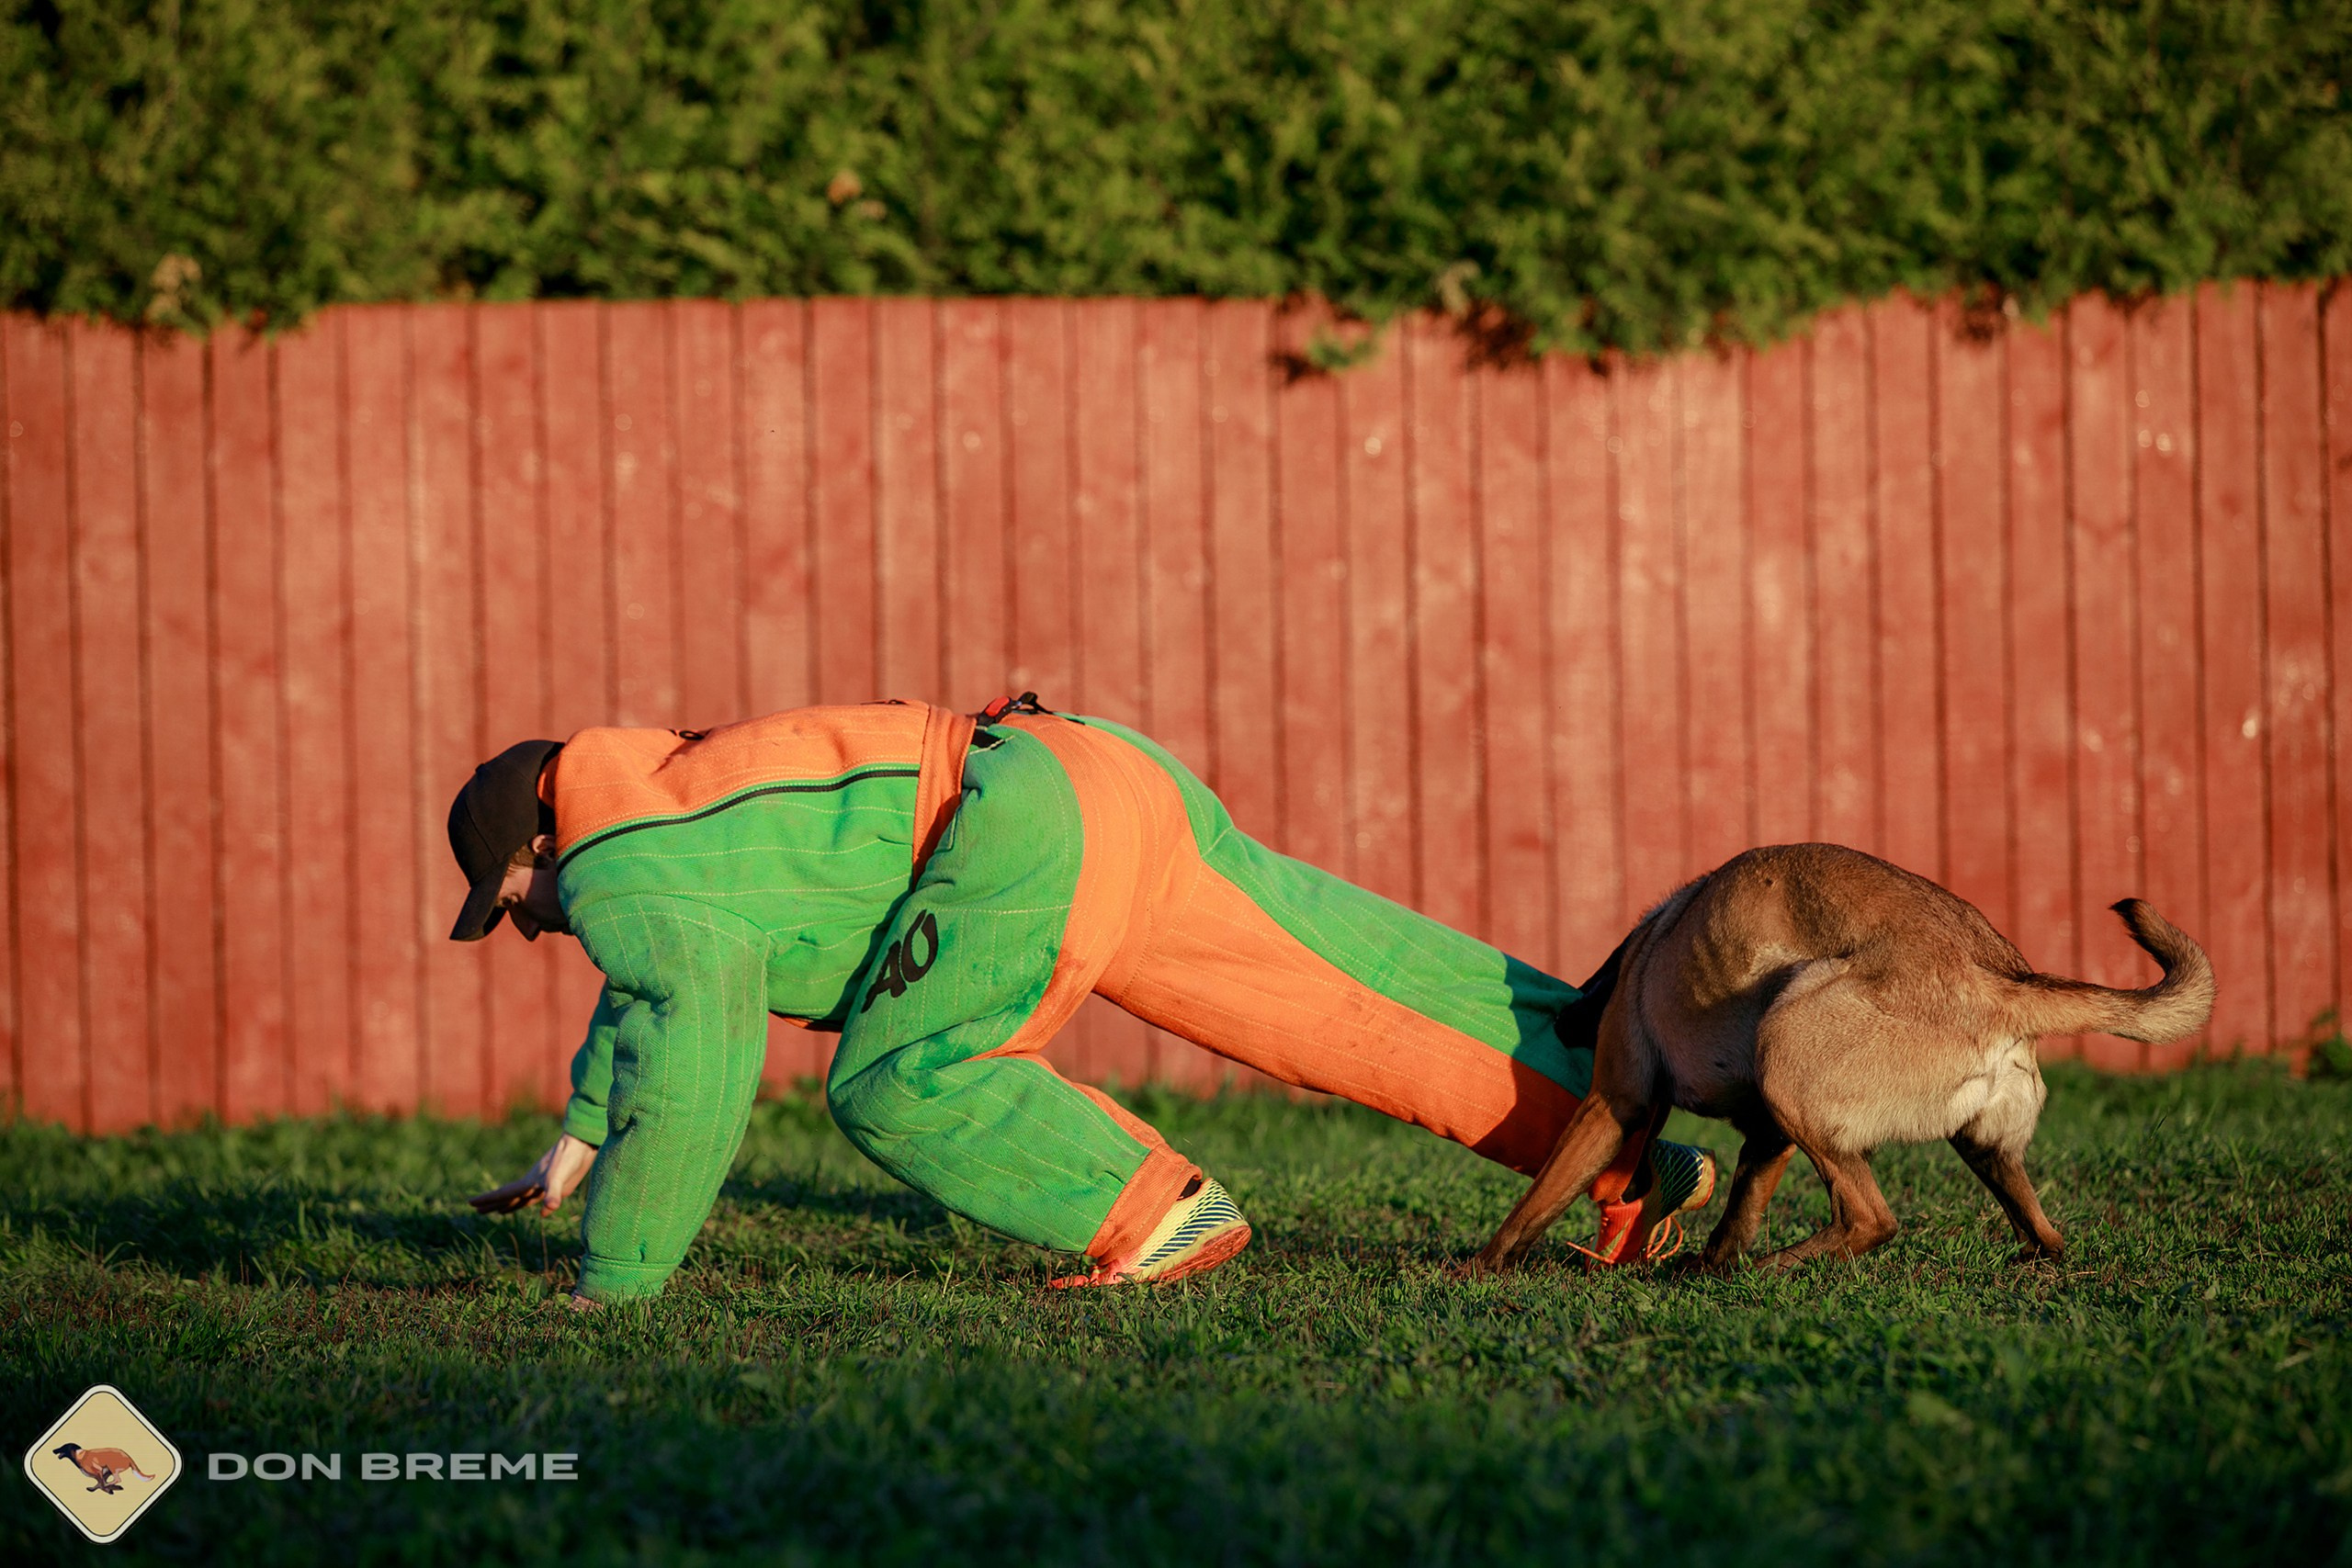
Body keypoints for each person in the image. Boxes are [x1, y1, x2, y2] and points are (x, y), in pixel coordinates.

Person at [458, 694, 1713, 1304]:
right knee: (1343, 991)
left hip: (1017, 830)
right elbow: (655, 988)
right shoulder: (664, 806)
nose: (526, 923)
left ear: (542, 841)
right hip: (1088, 765)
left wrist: (614, 1276)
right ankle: (1628, 1162)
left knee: (901, 1077)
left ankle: (1147, 1210)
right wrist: (576, 1137)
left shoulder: (620, 872)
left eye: (513, 896)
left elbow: (692, 1043)